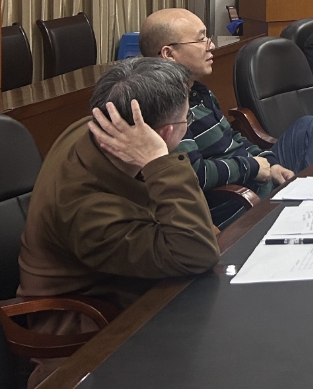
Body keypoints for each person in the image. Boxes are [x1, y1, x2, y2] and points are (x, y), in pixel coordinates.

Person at [18, 57, 220, 315]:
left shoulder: (100, 126)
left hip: (133, 285)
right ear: (163, 134)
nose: (188, 122)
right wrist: (159, 162)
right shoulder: (87, 209)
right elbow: (197, 253)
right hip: (92, 321)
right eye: (187, 117)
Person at [141, 8, 313, 206]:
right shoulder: (164, 105)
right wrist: (252, 167)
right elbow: (194, 174)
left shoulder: (197, 90)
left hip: (253, 175)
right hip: (237, 199)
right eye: (200, 40)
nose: (211, 46)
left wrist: (271, 164)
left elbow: (232, 138)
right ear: (169, 54)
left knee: (310, 128)